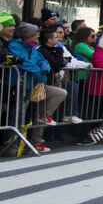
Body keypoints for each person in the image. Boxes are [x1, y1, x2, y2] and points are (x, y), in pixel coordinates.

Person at [9, 24, 67, 153]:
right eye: (35, 34)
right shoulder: (15, 46)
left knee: (59, 94)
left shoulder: (33, 48)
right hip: (22, 84)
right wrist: (39, 72)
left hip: (35, 85)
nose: (38, 35)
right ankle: (13, 143)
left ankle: (42, 119)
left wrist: (44, 68)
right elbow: (24, 62)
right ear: (29, 35)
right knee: (18, 115)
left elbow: (43, 61)